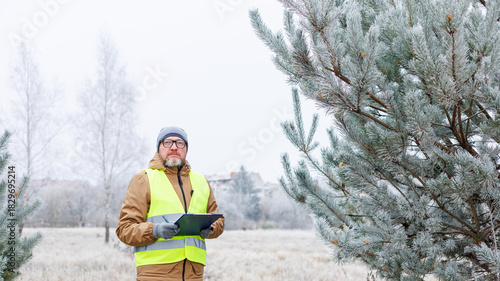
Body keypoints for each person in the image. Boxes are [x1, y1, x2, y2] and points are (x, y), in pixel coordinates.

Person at [116, 126, 224, 281]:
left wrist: (211, 228)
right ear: (159, 148)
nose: (174, 147)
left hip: (194, 275)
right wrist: (155, 231)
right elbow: (124, 229)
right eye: (167, 142)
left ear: (186, 149)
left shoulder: (201, 181)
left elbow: (218, 219)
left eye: (180, 143)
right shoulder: (144, 180)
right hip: (154, 275)